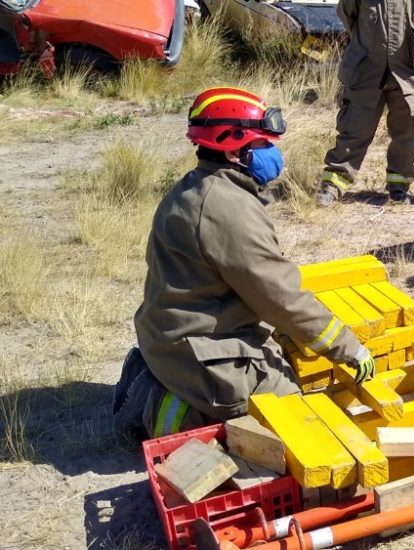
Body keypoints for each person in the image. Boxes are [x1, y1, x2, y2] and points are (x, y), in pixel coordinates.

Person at [114, 88, 375, 440]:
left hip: (170, 333)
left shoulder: (197, 187)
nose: (274, 154)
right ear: (236, 149)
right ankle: (164, 409)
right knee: (287, 409)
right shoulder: (228, 208)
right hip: (195, 347)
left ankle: (162, 374)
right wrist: (347, 347)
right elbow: (279, 296)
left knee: (280, 356)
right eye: (264, 145)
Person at [315, 0, 414, 206]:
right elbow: (348, 16)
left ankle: (398, 186)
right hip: (366, 70)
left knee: (408, 133)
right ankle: (333, 185)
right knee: (355, 129)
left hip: (407, 72)